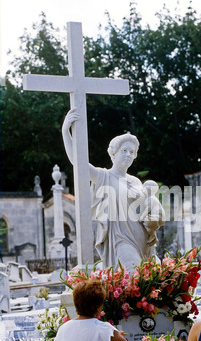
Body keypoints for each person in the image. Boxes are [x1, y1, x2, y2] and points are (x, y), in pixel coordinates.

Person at [62, 109, 165, 272]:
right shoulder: (104, 176)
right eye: (124, 151)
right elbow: (79, 162)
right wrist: (66, 132)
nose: (128, 155)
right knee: (132, 275)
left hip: (143, 240)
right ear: (114, 154)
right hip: (120, 240)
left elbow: (148, 209)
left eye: (132, 152)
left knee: (151, 281)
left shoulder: (136, 181)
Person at [139, 180, 165, 246]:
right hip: (157, 217)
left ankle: (153, 236)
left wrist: (141, 217)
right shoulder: (150, 198)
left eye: (144, 188)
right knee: (148, 223)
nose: (143, 190)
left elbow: (148, 209)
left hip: (158, 217)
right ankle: (152, 236)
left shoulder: (151, 198)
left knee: (147, 221)